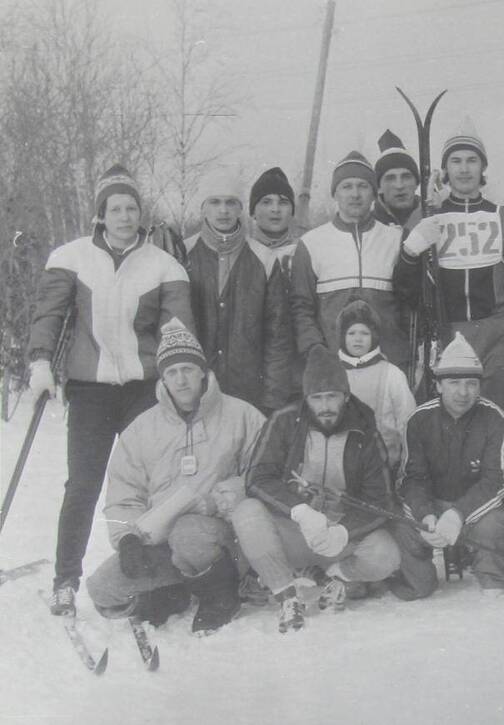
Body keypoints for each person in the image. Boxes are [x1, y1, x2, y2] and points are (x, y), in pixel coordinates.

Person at [26, 164, 194, 616]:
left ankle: (151, 576)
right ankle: (66, 579)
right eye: (115, 208)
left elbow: (178, 332)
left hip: (145, 391)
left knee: (151, 487)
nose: (124, 216)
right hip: (91, 390)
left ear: (142, 213)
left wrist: (183, 381)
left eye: (132, 208)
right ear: (101, 214)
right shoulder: (71, 256)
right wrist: (41, 361)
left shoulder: (164, 265)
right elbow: (50, 314)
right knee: (82, 484)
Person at [85, 320, 265, 635]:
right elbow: (124, 493)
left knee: (189, 533)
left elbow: (264, 475)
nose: (180, 380)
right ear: (163, 379)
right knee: (102, 591)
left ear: (202, 372)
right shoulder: (142, 429)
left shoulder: (242, 415)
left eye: (187, 369)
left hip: (225, 540)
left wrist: (220, 500)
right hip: (163, 543)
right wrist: (127, 539)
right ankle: (173, 593)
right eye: (171, 372)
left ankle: (221, 595)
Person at [233, 345, 404, 633]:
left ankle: (336, 577)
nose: (324, 406)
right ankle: (286, 592)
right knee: (246, 512)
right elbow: (257, 479)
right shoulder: (285, 421)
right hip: (293, 530)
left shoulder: (365, 429)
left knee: (387, 555)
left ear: (345, 396)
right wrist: (299, 511)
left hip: (338, 537)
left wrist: (344, 531)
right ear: (306, 397)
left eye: (332, 397)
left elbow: (381, 500)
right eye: (317, 398)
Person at [392, 116, 504, 417]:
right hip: (448, 331)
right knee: (451, 420)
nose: (464, 168)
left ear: (482, 166)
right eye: (456, 161)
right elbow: (404, 290)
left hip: (498, 334)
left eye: (472, 160)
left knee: (497, 417)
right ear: (445, 169)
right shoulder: (425, 218)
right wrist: (412, 249)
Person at [398, 332, 504, 593]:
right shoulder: (418, 420)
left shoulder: (494, 418)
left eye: (471, 383)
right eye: (454, 382)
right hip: (433, 506)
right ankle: (419, 583)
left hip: (475, 508)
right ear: (439, 385)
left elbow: (497, 480)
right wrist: (425, 515)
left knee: (495, 524)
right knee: (403, 527)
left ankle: (494, 584)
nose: (463, 392)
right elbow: (412, 478)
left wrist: (457, 514)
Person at [184, 170, 294, 414]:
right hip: (196, 391)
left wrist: (273, 399)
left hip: (248, 393)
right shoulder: (184, 254)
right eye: (215, 202)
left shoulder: (263, 258)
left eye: (231, 202)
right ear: (203, 208)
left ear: (241, 208)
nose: (223, 210)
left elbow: (277, 334)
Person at [291, 151, 411, 370]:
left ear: (374, 193)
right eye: (346, 186)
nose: (355, 194)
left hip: (388, 365)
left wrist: (401, 353)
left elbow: (409, 304)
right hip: (334, 367)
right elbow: (301, 307)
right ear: (335, 193)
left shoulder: (396, 239)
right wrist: (315, 351)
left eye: (363, 186)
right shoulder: (311, 243)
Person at [336, 299, 416, 472]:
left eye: (364, 333)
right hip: (339, 469)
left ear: (374, 336)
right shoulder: (332, 373)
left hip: (383, 468)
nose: (358, 339)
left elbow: (408, 422)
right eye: (351, 333)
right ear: (343, 336)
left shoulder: (392, 374)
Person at [248, 166, 300, 278]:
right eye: (266, 202)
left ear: (292, 211)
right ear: (253, 212)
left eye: (283, 202)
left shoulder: (304, 253)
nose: (275, 209)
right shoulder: (242, 253)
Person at [373, 129, 421, 230]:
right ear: (378, 187)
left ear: (416, 183)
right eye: (390, 179)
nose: (399, 185)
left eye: (406, 177)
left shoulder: (432, 216)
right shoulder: (368, 224)